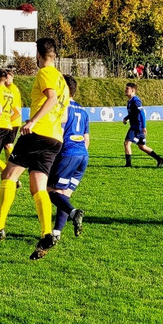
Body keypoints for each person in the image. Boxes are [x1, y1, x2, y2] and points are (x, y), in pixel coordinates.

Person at [0, 38, 69, 261]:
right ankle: (47, 233)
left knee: (8, 174)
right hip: (55, 138)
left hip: (38, 134)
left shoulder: (45, 72)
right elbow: (62, 110)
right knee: (38, 187)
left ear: (38, 54)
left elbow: (51, 99)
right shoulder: (62, 80)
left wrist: (33, 121)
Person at [48, 75, 89, 244]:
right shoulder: (83, 111)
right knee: (63, 195)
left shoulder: (62, 108)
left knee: (50, 191)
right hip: (82, 156)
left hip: (68, 154)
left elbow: (59, 134)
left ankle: (74, 212)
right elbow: (87, 139)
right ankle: (56, 232)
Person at [123, 83, 163, 167]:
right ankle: (159, 159)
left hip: (137, 126)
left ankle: (128, 164)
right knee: (142, 146)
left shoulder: (136, 100)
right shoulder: (130, 101)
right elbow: (133, 113)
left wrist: (143, 127)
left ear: (133, 90)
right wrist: (126, 118)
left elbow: (141, 113)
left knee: (127, 143)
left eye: (127, 89)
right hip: (137, 126)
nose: (125, 90)